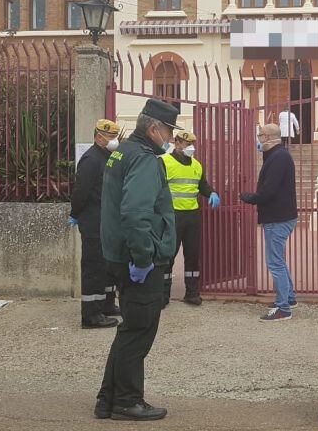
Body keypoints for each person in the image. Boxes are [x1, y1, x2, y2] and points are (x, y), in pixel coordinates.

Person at [94, 99, 180, 422]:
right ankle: (127, 401)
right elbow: (135, 212)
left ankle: (108, 398)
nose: (171, 138)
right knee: (140, 329)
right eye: (169, 131)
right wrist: (144, 256)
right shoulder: (144, 159)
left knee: (129, 328)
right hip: (138, 260)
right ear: (154, 129)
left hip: (119, 255)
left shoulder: (122, 153)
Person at [239, 123, 298, 321]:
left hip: (277, 217)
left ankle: (283, 308)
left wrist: (249, 197)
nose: (258, 138)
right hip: (280, 215)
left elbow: (269, 190)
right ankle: (289, 298)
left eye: (260, 135)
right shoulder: (277, 155)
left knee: (275, 263)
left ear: (268, 137)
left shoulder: (278, 157)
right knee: (279, 260)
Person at [69, 119, 123, 329]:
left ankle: (107, 304)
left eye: (114, 137)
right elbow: (80, 191)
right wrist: (75, 213)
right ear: (99, 137)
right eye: (110, 137)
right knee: (93, 269)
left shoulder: (106, 157)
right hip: (93, 222)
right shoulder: (91, 159)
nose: (113, 141)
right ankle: (91, 315)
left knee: (106, 267)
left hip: (106, 222)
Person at [161, 130, 221, 306]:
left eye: (193, 144)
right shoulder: (164, 162)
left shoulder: (196, 164)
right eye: (188, 144)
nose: (191, 148)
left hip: (192, 216)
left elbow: (202, 185)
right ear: (177, 143)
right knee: (168, 255)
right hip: (172, 216)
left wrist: (212, 193)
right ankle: (163, 294)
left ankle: (192, 293)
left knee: (193, 256)